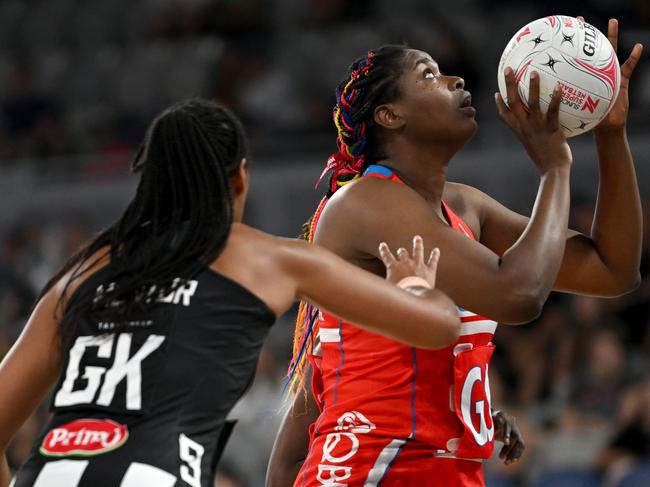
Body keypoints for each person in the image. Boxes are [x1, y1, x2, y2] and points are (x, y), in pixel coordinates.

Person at [0, 99, 463, 487]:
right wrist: (413, 285)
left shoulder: (85, 271)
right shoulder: (262, 257)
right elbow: (441, 325)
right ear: (240, 178)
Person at [267, 18, 643, 487]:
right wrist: (555, 170)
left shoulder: (466, 206)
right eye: (428, 75)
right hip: (371, 473)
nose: (455, 80)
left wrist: (610, 135)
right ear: (390, 116)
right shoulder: (365, 203)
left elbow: (613, 271)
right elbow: (518, 295)